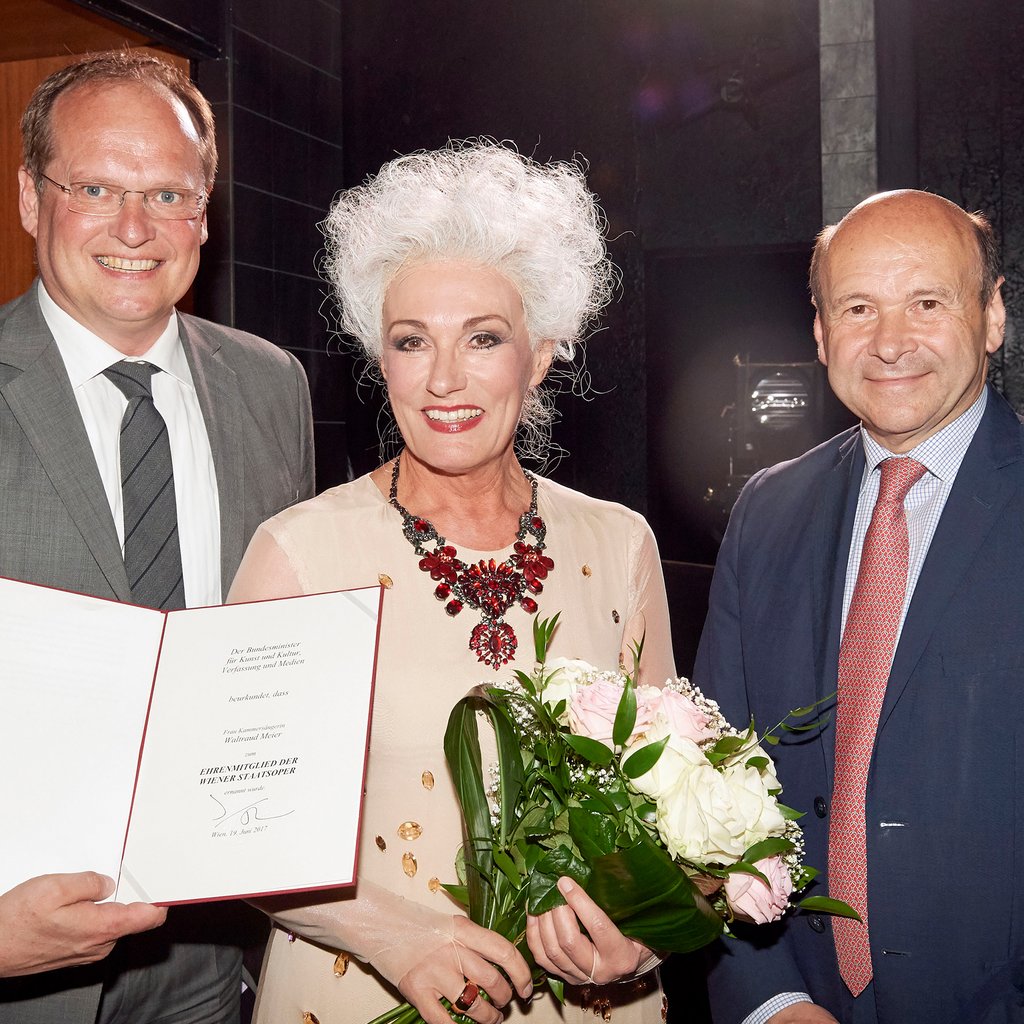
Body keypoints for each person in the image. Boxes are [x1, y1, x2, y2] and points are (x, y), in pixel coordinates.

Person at [228, 141, 676, 1024]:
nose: (443, 379)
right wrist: (392, 935)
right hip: (357, 994)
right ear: (378, 358)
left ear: (540, 354)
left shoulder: (620, 543)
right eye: (410, 341)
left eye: (483, 338)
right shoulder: (299, 554)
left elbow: (670, 809)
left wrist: (646, 926)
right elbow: (232, 826)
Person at [0, 51, 314, 1023]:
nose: (133, 228)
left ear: (206, 216)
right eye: (95, 186)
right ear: (29, 197)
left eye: (167, 193)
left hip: (221, 954)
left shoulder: (274, 387)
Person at [694, 189, 1022, 1024]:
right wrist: (768, 999)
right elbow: (714, 791)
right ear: (819, 331)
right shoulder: (766, 513)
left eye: (927, 302)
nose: (889, 342)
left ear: (992, 316)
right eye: (858, 307)